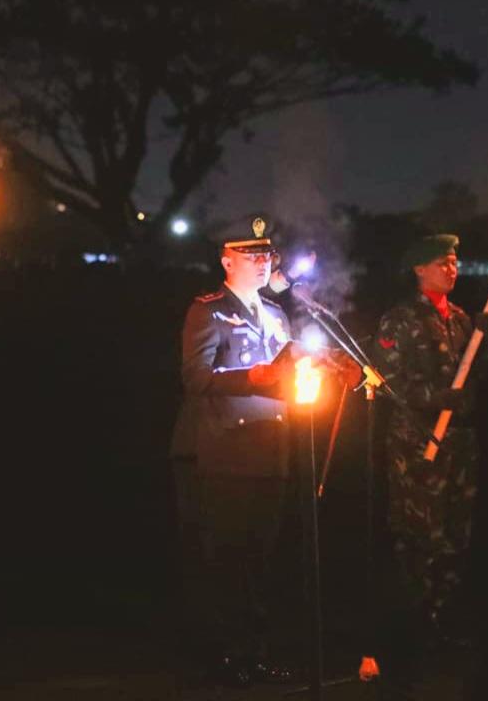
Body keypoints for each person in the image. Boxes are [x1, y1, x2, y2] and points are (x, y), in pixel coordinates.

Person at [169, 216, 299, 689]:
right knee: (225, 556)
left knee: (261, 559)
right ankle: (225, 656)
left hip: (272, 450)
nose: (264, 263)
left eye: (267, 255)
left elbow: (290, 377)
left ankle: (255, 651)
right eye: (252, 255)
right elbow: (196, 380)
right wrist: (254, 377)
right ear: (227, 260)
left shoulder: (278, 314)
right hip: (226, 450)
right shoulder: (207, 311)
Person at [373, 234, 488, 651]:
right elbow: (388, 383)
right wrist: (436, 399)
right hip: (418, 445)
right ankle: (413, 626)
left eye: (455, 261)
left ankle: (444, 618)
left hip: (459, 443)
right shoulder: (400, 320)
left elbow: (477, 377)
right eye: (442, 262)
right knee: (418, 536)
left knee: (455, 534)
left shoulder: (462, 320)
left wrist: (485, 341)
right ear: (419, 269)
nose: (452, 269)